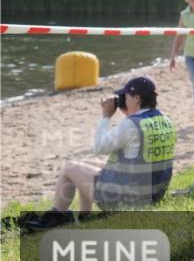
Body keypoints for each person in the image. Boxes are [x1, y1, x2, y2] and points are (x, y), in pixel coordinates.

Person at [25, 77, 175, 231]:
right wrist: (128, 112)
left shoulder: (131, 124)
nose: (123, 99)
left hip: (128, 201)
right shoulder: (165, 121)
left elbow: (98, 148)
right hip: (153, 194)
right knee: (85, 165)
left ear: (137, 98)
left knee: (69, 168)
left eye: (126, 97)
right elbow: (137, 151)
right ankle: (85, 216)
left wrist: (106, 117)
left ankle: (56, 217)